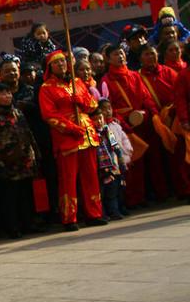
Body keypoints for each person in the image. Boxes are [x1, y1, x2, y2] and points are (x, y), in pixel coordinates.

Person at [38, 51, 106, 231]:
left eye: (63, 61)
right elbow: (48, 115)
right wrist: (70, 128)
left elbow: (93, 105)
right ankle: (70, 217)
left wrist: (81, 100)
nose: (61, 65)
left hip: (87, 134)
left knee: (91, 176)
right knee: (68, 179)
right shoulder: (46, 88)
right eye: (57, 62)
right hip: (67, 138)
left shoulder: (77, 82)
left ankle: (94, 214)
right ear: (50, 67)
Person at [102, 42, 162, 207]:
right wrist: (125, 124)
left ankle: (159, 193)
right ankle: (134, 199)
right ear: (108, 59)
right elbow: (109, 108)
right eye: (115, 54)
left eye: (121, 53)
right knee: (132, 164)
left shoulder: (134, 75)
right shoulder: (107, 80)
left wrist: (153, 113)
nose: (120, 56)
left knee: (154, 159)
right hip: (124, 127)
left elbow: (146, 97)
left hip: (143, 121)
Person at [0, 83, 39, 238]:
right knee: (9, 197)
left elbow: (28, 132)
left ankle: (29, 223)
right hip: (6, 161)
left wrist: (34, 152)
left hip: (24, 160)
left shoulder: (17, 112)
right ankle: (12, 227)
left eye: (8, 93)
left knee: (26, 194)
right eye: (3, 94)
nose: (7, 96)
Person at [138, 43, 190, 200]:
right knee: (163, 159)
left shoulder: (169, 72)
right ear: (140, 58)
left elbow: (177, 96)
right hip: (154, 120)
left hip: (172, 116)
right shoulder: (138, 76)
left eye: (152, 54)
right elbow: (144, 98)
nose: (151, 57)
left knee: (178, 155)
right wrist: (158, 115)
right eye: (147, 54)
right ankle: (173, 191)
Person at [94, 102, 128, 221]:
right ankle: (103, 213)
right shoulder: (92, 133)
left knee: (113, 189)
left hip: (111, 165)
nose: (99, 121)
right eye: (96, 119)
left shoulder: (107, 130)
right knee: (102, 192)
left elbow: (115, 145)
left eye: (100, 119)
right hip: (99, 167)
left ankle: (115, 211)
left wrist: (120, 158)